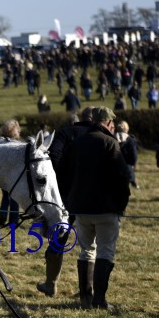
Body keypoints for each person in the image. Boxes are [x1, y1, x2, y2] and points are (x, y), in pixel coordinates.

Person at [62, 107, 130, 308]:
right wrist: (121, 205)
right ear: (108, 123)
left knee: (86, 251)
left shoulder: (76, 143)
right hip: (106, 208)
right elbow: (122, 177)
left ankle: (85, 298)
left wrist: (70, 200)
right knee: (105, 252)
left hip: (81, 208)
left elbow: (63, 174)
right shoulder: (111, 143)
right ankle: (99, 299)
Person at [36, 107, 93, 297]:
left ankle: (51, 283)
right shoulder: (101, 135)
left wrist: (63, 179)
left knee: (58, 239)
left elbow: (54, 157)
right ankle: (88, 289)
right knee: (91, 244)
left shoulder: (66, 133)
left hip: (66, 194)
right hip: (92, 196)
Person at [0, 119, 21, 227]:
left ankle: (2, 220)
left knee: (5, 198)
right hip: (14, 176)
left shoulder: (0, 143)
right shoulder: (17, 145)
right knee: (14, 199)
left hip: (3, 175)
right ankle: (13, 221)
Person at [115, 120, 139, 189]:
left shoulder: (112, 138)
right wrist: (133, 163)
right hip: (127, 166)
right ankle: (134, 185)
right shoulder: (130, 140)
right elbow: (133, 154)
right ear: (127, 129)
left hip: (115, 167)